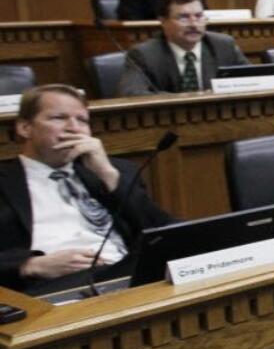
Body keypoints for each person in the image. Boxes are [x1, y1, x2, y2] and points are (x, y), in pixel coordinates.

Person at [0, 85, 173, 294]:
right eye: (58, 118)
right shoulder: (6, 181)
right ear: (24, 128)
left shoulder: (113, 172)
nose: (74, 128)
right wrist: (31, 265)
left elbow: (164, 231)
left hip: (125, 274)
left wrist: (109, 176)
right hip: (52, 287)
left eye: (82, 120)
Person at [118, 0, 248, 95]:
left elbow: (254, 80)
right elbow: (133, 93)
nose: (193, 24)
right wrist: (185, 99)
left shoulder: (223, 45)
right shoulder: (144, 54)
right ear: (163, 21)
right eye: (183, 17)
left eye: (199, 16)